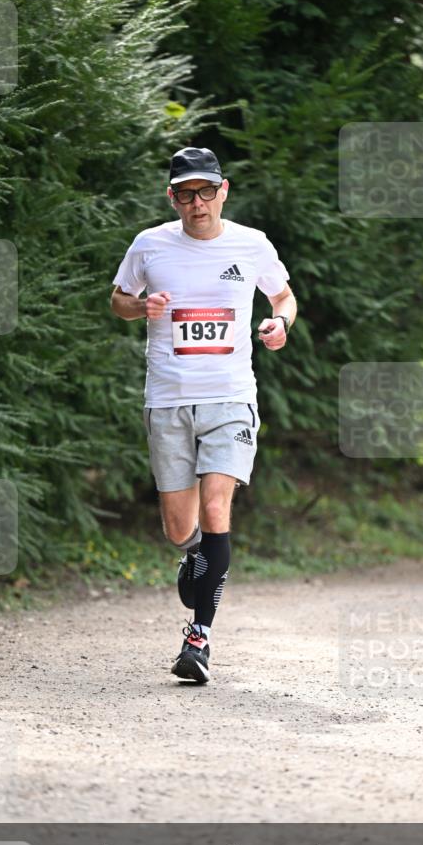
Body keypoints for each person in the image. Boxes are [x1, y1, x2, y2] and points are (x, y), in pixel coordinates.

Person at [111, 146, 296, 684]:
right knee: (179, 528)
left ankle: (199, 638)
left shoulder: (251, 244)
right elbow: (118, 299)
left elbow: (284, 298)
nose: (198, 203)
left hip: (231, 397)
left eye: (206, 191)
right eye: (186, 194)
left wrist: (279, 324)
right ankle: (193, 555)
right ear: (173, 198)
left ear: (224, 190)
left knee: (217, 507)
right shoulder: (150, 245)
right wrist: (139, 307)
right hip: (168, 400)